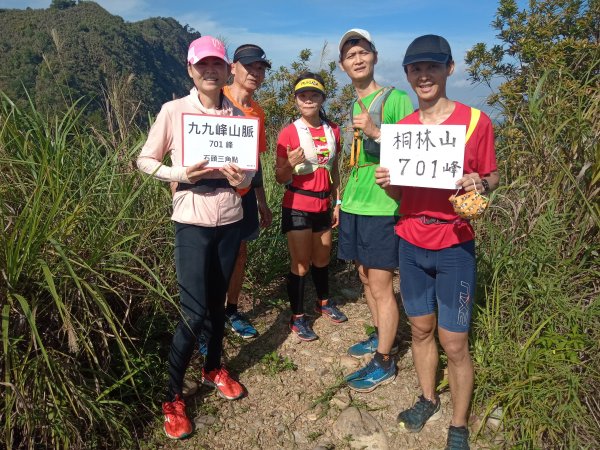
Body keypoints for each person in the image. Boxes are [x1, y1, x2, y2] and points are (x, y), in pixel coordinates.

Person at [375, 35, 499, 450]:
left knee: (455, 341)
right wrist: (388, 184)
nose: (423, 75)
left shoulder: (476, 122)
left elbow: (493, 177)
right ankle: (428, 398)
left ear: (450, 68)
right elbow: (398, 199)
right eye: (415, 68)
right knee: (421, 328)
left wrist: (479, 182)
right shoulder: (402, 131)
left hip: (455, 242)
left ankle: (459, 426)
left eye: (432, 66)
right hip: (411, 238)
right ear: (407, 74)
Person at [137, 36, 254, 440]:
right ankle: (173, 396)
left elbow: (249, 174)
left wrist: (243, 180)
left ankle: (212, 368)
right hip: (190, 217)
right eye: (202, 65)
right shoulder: (174, 111)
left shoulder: (238, 117)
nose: (210, 71)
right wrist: (183, 174)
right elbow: (145, 161)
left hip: (229, 216)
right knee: (192, 312)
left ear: (226, 71)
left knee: (219, 306)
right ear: (190, 69)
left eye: (217, 65)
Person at [336, 29, 414, 391]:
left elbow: (413, 153)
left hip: (383, 204)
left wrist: (376, 130)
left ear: (375, 56)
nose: (357, 58)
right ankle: (381, 335)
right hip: (355, 201)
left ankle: (384, 360)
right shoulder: (353, 104)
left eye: (363, 52)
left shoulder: (396, 99)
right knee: (365, 276)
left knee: (382, 284)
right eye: (350, 55)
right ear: (342, 65)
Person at [275, 72, 347, 341]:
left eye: (314, 94)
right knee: (301, 264)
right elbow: (279, 177)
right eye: (302, 95)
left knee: (322, 259)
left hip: (323, 205)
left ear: (322, 98)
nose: (308, 99)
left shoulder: (333, 130)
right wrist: (290, 164)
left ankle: (323, 302)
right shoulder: (289, 132)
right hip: (297, 204)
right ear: (295, 100)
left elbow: (335, 168)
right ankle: (297, 317)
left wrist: (338, 201)